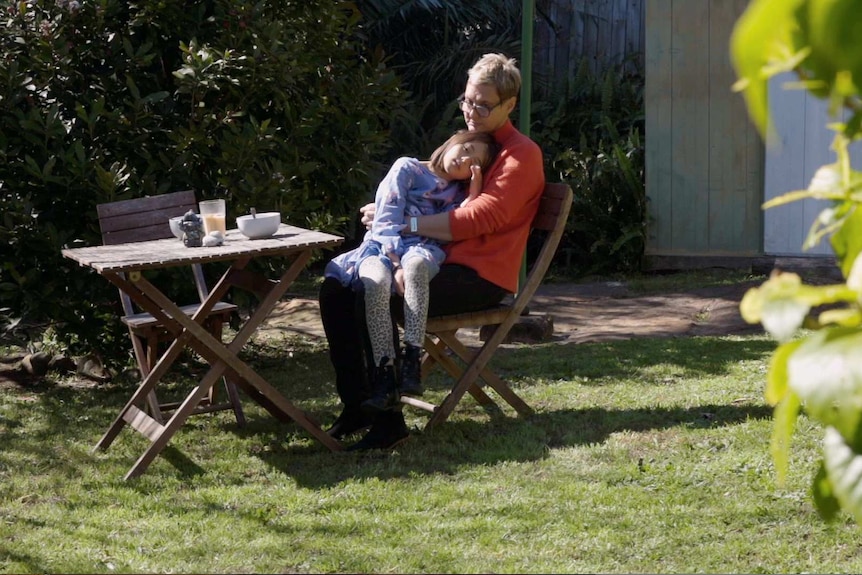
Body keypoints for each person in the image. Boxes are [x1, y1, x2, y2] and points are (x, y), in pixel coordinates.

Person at [319, 53, 546, 451]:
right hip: (435, 259)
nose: (471, 112)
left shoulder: (520, 155)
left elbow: (477, 218)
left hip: (478, 276)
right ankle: (358, 406)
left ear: (510, 105)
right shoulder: (475, 143)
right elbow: (431, 175)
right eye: (467, 101)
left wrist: (401, 223)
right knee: (335, 288)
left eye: (483, 105)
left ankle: (389, 422)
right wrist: (395, 205)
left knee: (369, 293)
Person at [323, 130, 500, 416]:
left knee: (417, 266)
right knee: (375, 282)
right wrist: (395, 265)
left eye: (474, 161)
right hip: (381, 248)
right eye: (465, 148)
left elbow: (461, 222)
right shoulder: (408, 168)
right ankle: (383, 373)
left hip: (424, 250)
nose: (464, 159)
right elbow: (385, 221)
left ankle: (412, 359)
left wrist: (475, 189)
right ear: (452, 141)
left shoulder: (458, 191)